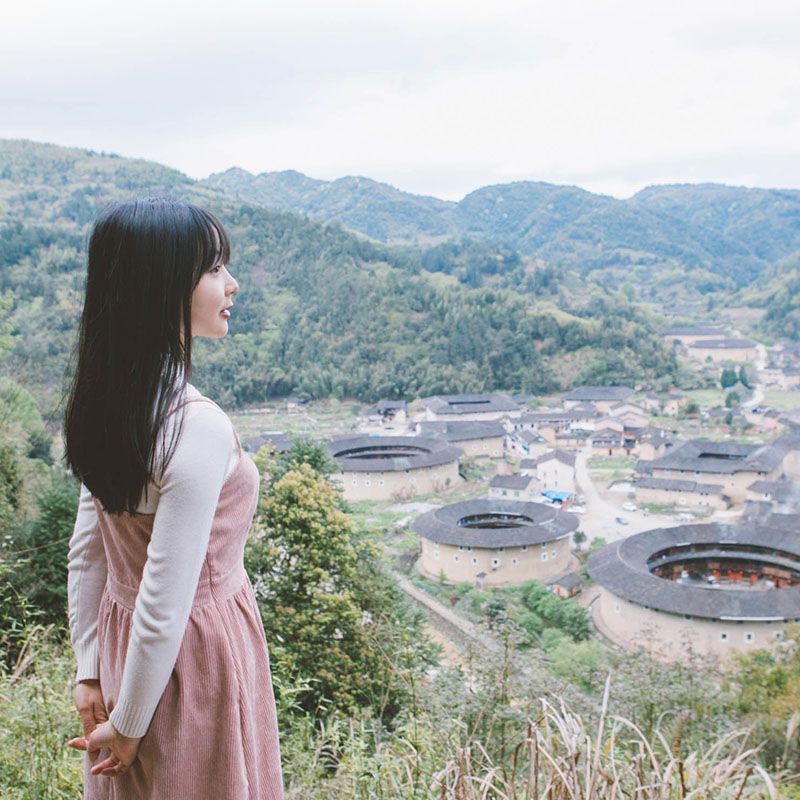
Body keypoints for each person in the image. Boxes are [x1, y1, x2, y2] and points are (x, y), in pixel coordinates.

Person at [64, 198, 284, 799]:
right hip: (197, 659)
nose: (232, 282)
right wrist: (132, 725)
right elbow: (166, 598)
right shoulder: (195, 426)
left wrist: (90, 671)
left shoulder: (104, 406)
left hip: (118, 649)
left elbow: (89, 555)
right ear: (161, 287)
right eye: (213, 269)